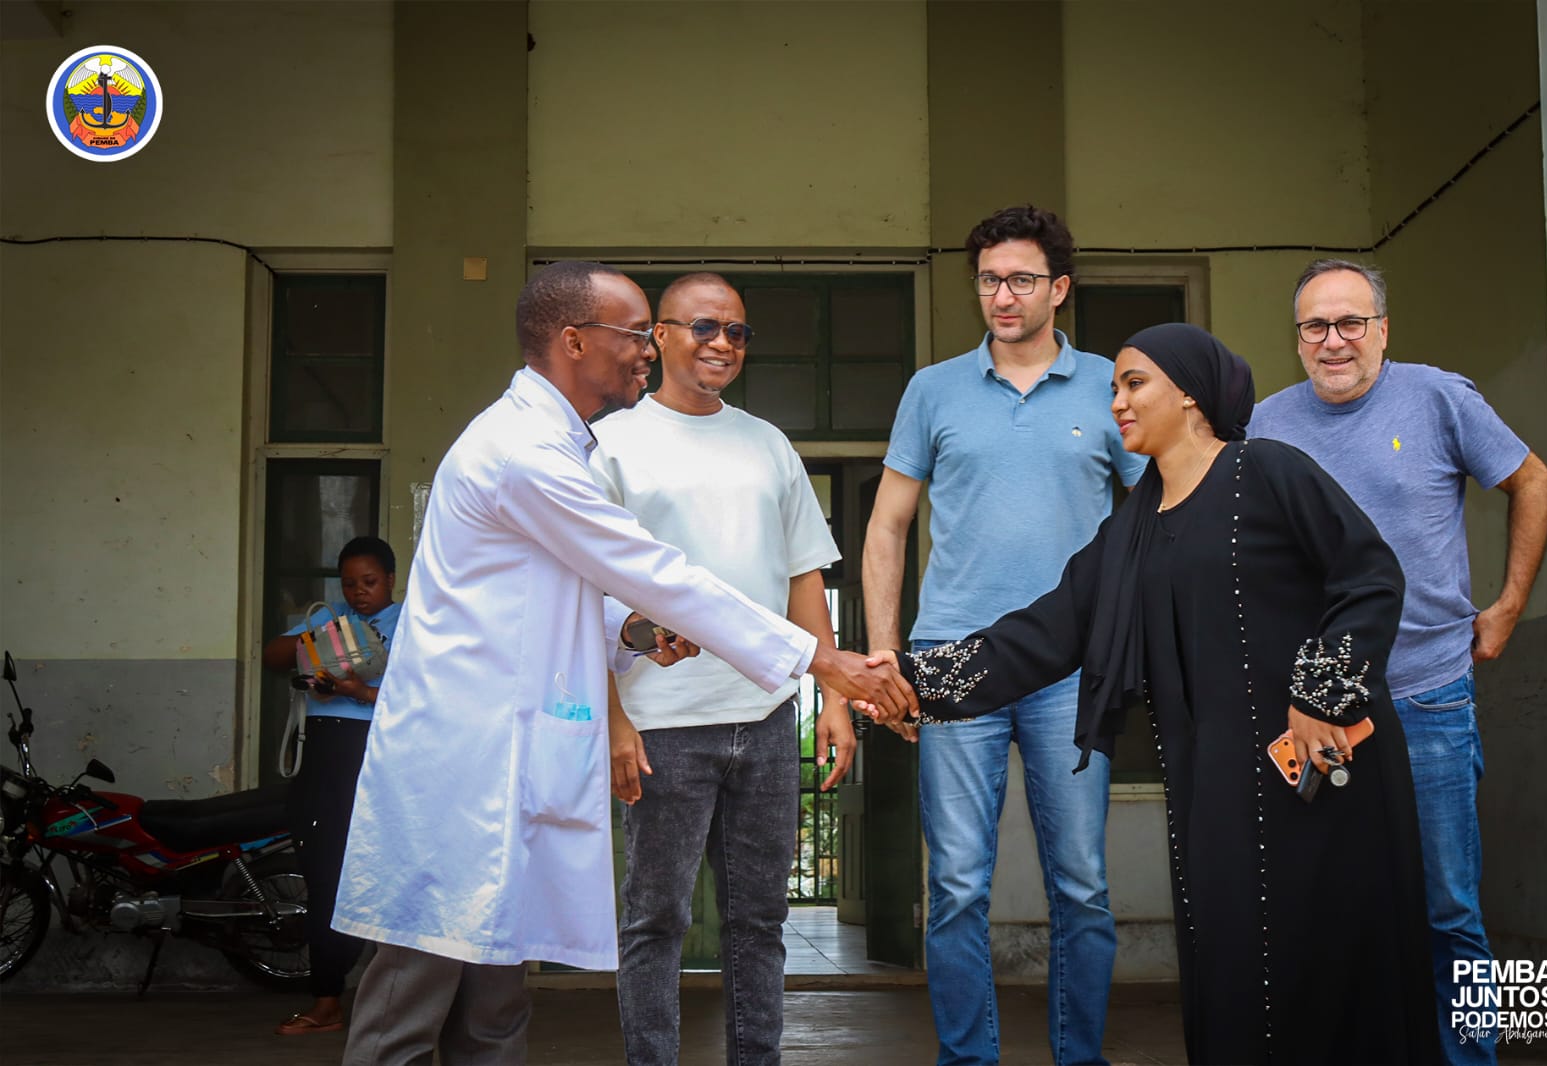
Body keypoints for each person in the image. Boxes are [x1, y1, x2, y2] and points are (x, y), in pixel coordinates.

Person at [330, 261, 915, 1066]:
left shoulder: (568, 444)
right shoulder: (524, 453)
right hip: (462, 767)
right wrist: (822, 662)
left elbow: (561, 595)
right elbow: (650, 570)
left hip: (516, 760)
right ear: (575, 341)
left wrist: (635, 633)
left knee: (494, 1010)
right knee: (412, 1002)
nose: (647, 349)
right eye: (638, 333)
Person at [868, 322, 1441, 1065]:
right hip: (1214, 781)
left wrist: (1321, 693)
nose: (1117, 402)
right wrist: (907, 681)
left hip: (1311, 766)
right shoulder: (1133, 527)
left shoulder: (1268, 470)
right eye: (1113, 388)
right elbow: (1043, 632)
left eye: (1134, 384)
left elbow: (1368, 577)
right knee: (1233, 952)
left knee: (1326, 949)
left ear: (1192, 395)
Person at [1251, 259, 1547, 1064]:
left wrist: (1509, 605)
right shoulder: (1262, 428)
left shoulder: (1438, 398)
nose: (1334, 341)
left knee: (1449, 910)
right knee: (1332, 912)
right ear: (1298, 339)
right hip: (1315, 716)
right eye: (1316, 326)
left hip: (1427, 698)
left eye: (1352, 322)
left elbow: (1533, 481)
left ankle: (1472, 1059)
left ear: (1383, 329)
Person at [861, 205, 1144, 1066]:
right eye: (989, 280)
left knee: (1082, 886)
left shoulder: (1113, 384)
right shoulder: (933, 390)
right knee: (954, 888)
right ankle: (967, 1058)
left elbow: (1162, 513)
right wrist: (885, 654)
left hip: (1071, 663)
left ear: (1060, 289)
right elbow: (887, 526)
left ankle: (1079, 1056)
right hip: (953, 658)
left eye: (1022, 279)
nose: (1003, 295)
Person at [592, 272, 853, 1066]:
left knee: (759, 923)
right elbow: (584, 592)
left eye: (737, 332)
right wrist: (615, 719)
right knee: (655, 922)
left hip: (767, 721)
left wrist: (833, 698)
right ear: (660, 335)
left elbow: (804, 575)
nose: (723, 344)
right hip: (661, 726)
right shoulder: (613, 445)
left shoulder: (768, 444)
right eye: (705, 327)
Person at [261, 535, 400, 1037]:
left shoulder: (412, 623)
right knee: (325, 875)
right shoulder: (329, 619)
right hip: (324, 755)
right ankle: (327, 1000)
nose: (359, 592)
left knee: (387, 876)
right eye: (349, 584)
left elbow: (425, 696)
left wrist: (358, 690)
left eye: (370, 582)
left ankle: (397, 1001)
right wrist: (318, 644)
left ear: (390, 580)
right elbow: (273, 656)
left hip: (381, 756)